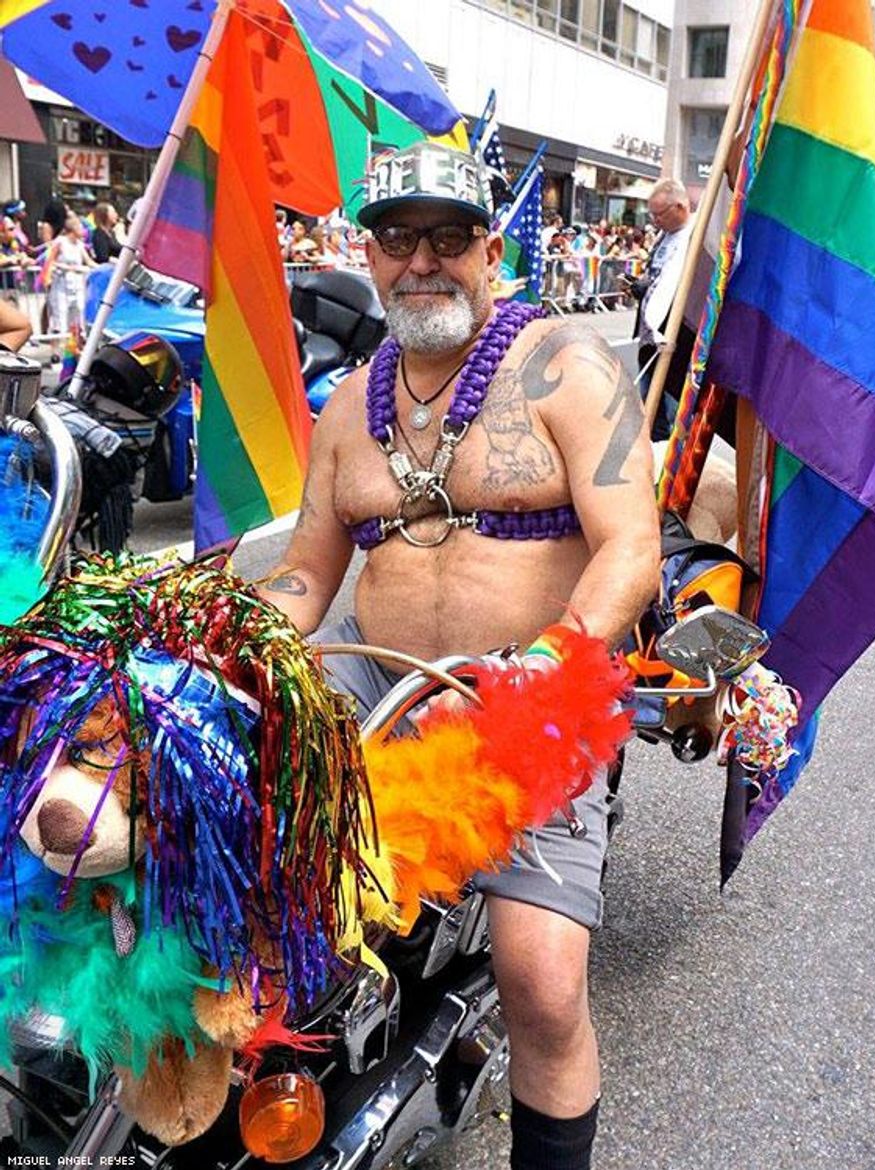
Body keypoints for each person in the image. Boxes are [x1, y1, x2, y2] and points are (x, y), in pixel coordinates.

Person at [256, 141, 659, 1170]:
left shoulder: (568, 366)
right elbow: (306, 572)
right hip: (374, 678)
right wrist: (217, 641)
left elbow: (631, 548)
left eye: (446, 237)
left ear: (489, 249)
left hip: (530, 696)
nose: (420, 261)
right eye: (397, 239)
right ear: (370, 253)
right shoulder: (347, 405)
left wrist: (552, 663)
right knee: (213, 827)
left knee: (540, 979)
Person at [622, 178, 696, 441]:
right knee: (650, 404)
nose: (655, 220)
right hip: (650, 335)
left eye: (659, 214)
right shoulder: (665, 236)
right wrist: (641, 285)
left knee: (672, 405)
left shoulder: (696, 238)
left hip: (676, 337)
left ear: (680, 207)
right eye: (652, 214)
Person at [46, 212, 96, 335]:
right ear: (73, 229)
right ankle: (59, 350)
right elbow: (49, 261)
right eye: (80, 227)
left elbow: (89, 261)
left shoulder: (80, 245)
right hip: (61, 285)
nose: (83, 230)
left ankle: (74, 349)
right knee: (61, 316)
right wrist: (67, 267)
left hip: (77, 284)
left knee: (78, 314)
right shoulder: (60, 242)